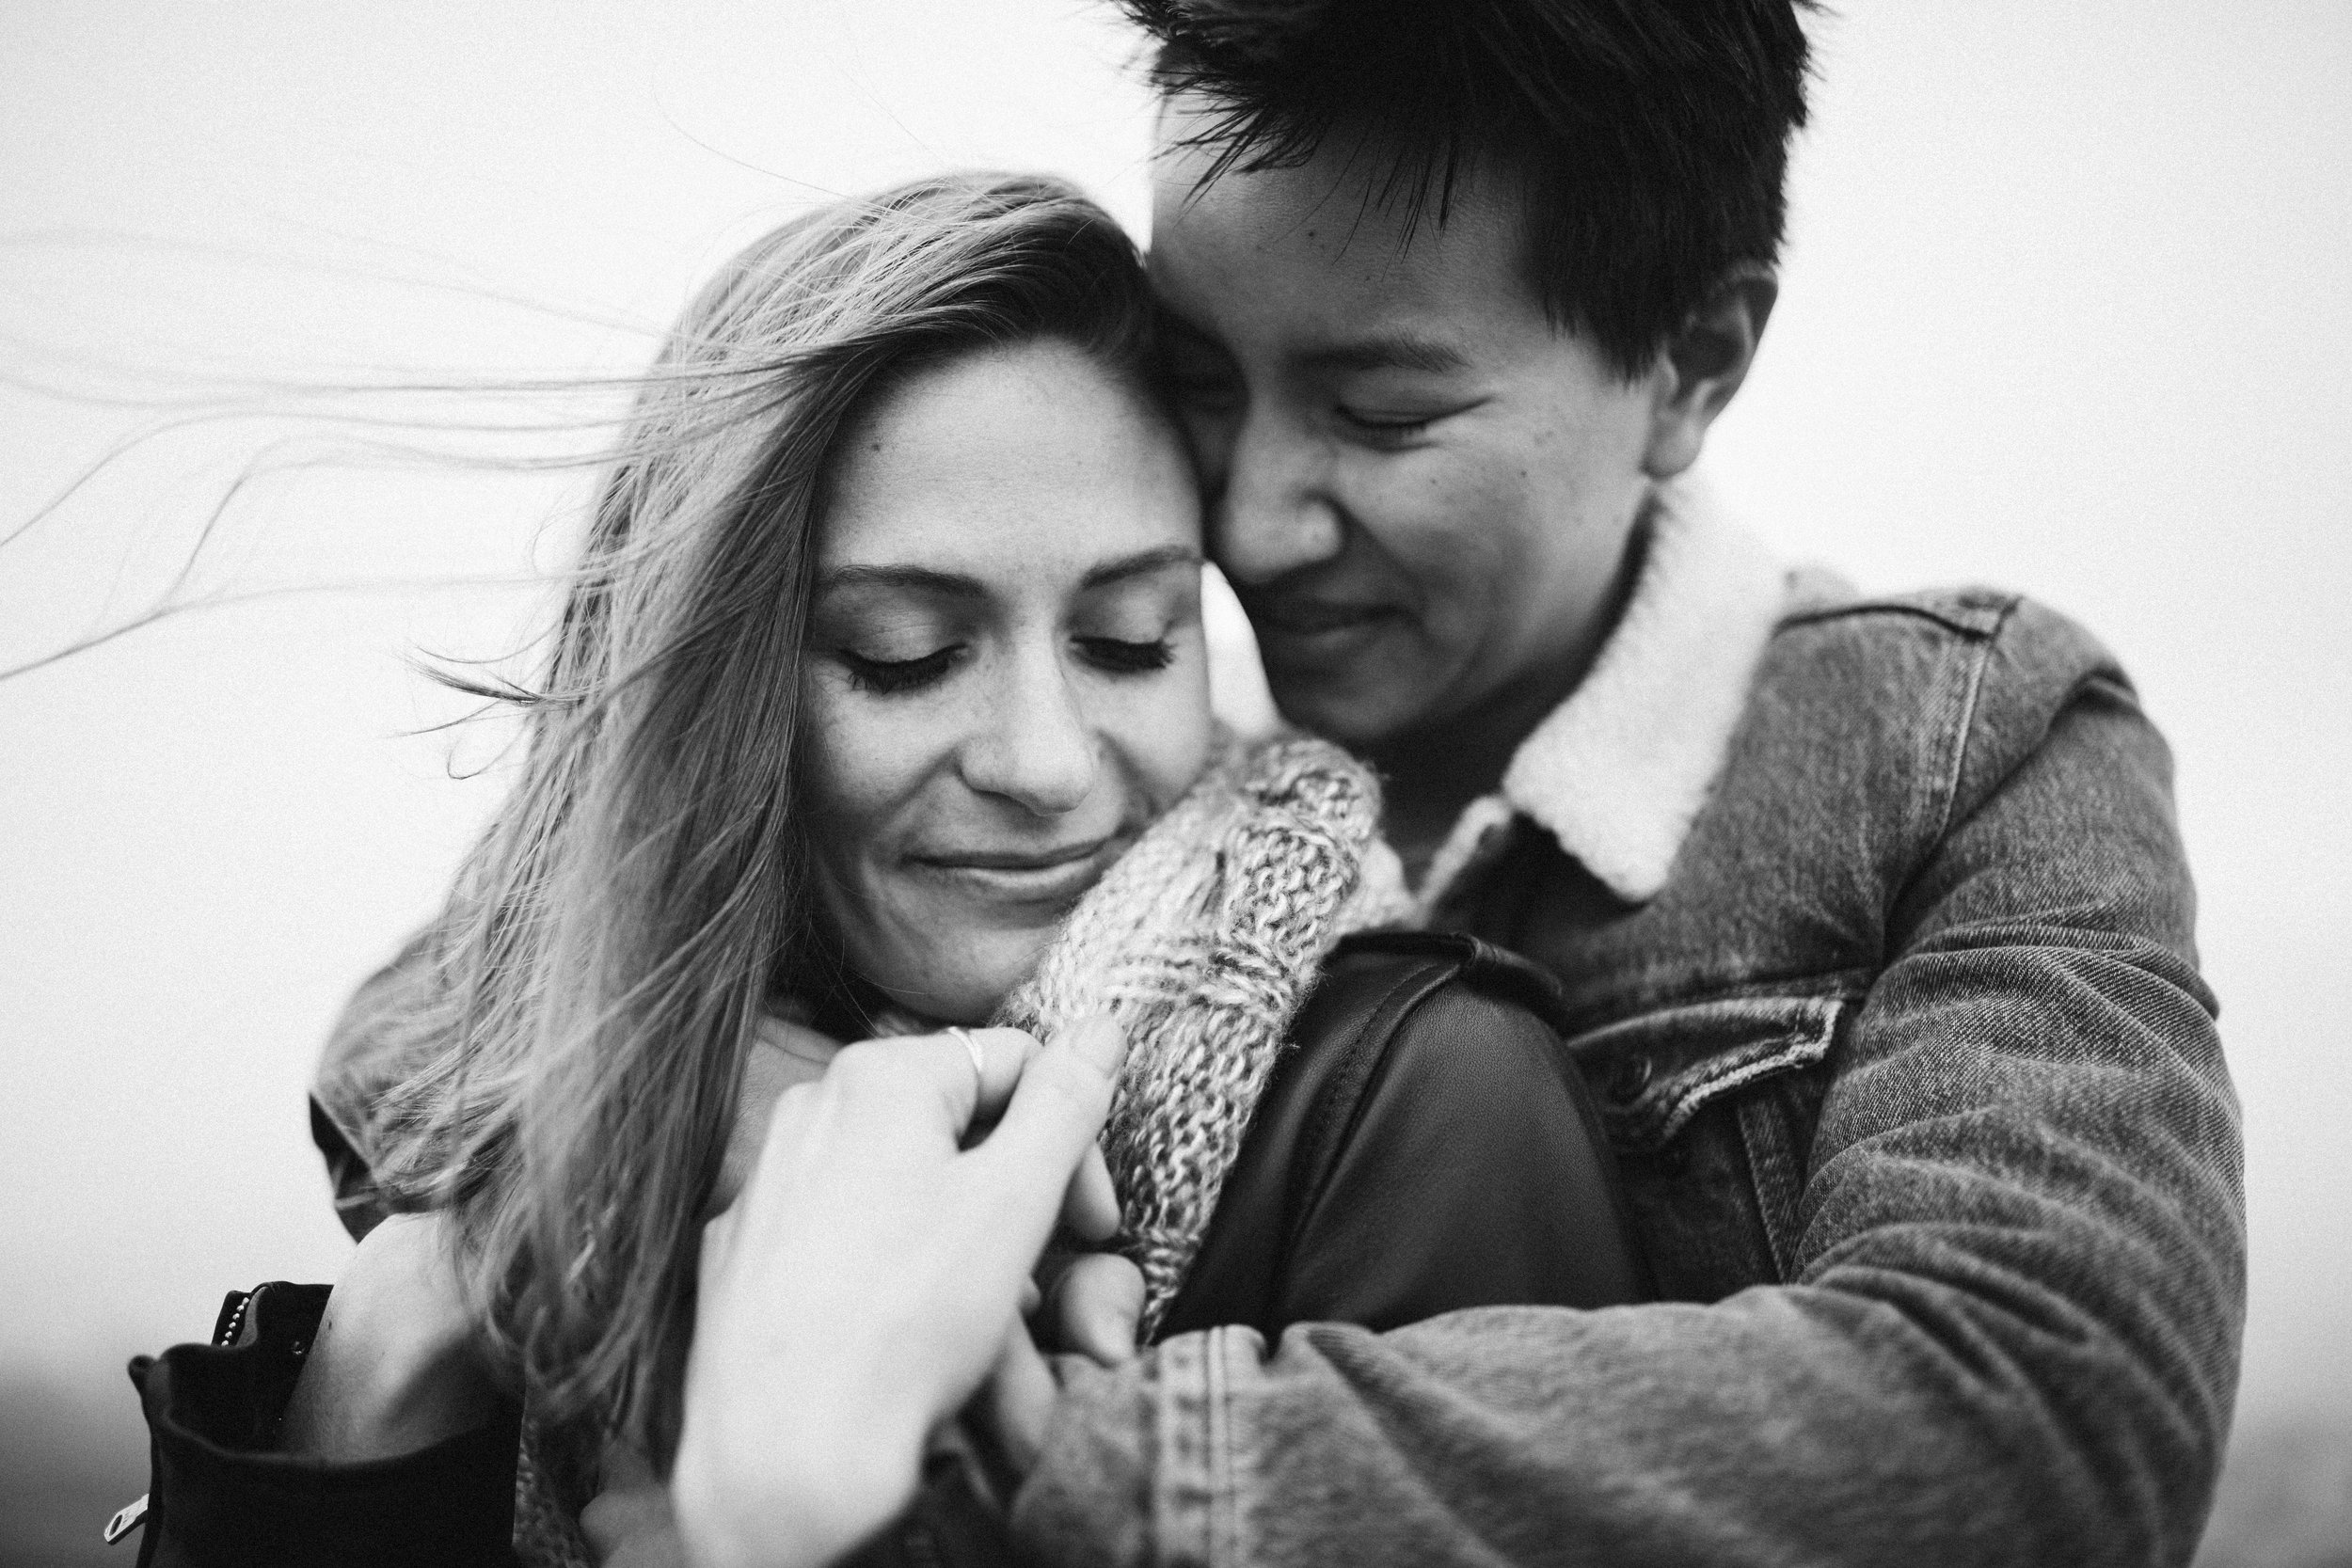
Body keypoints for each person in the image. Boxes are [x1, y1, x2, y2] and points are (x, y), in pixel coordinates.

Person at [682, 5, 2243, 1566]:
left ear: (1692, 363)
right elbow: (518, 1022)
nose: (1250, 516)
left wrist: (980, 1473)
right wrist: (687, 1128)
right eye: (1200, 374)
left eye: (1381, 413)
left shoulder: (1962, 755)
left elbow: (2040, 1431)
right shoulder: (1082, 764)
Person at [120, 171, 1645, 1566]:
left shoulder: (1425, 1102)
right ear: (714, 709)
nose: (1045, 762)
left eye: (1129, 638)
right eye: (904, 657)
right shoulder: (525, 1124)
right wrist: (391, 1355)